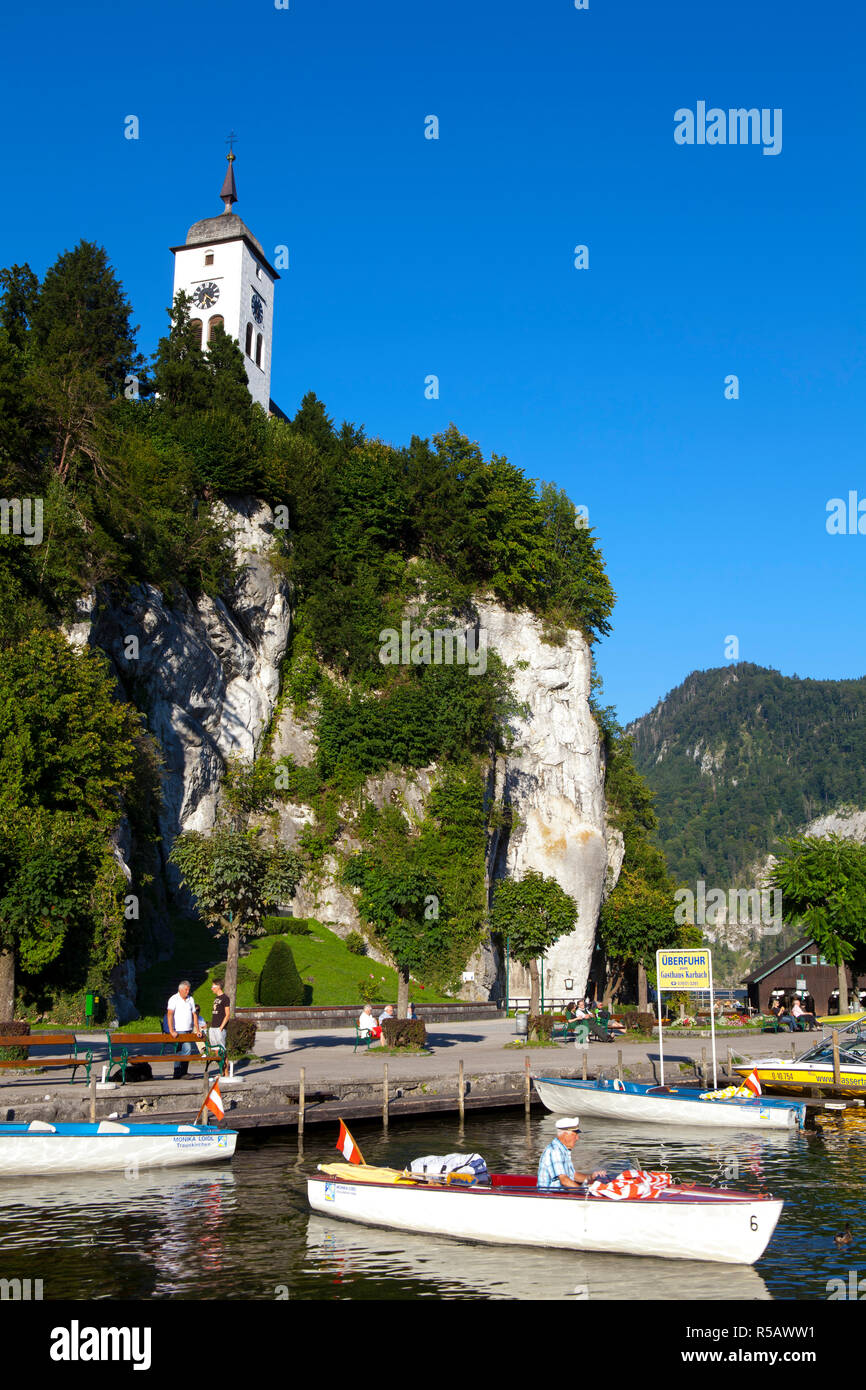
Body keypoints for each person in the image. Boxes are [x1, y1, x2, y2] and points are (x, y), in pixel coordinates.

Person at [537, 1117, 605, 1190]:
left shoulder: (563, 1149)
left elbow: (572, 1175)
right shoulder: (555, 1151)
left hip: (559, 1194)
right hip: (550, 1195)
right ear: (566, 1135)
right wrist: (583, 1191)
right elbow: (564, 1180)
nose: (577, 1138)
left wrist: (591, 1177)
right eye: (575, 1134)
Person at [166, 981, 202, 1079]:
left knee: (180, 1051)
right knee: (187, 1049)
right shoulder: (174, 999)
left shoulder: (191, 999)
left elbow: (194, 1014)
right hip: (179, 1029)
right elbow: (170, 1014)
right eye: (186, 990)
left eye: (188, 990)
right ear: (180, 990)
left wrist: (197, 1029)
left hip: (189, 1029)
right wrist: (171, 1030)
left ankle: (177, 1072)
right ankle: (183, 1072)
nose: (188, 992)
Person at [209, 979, 231, 1075]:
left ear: (218, 986)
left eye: (213, 986)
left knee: (222, 1051)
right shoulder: (216, 998)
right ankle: (221, 1071)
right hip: (213, 1028)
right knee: (217, 1052)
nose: (211, 988)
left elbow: (227, 1014)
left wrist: (221, 1027)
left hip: (219, 1028)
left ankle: (226, 1073)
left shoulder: (225, 998)